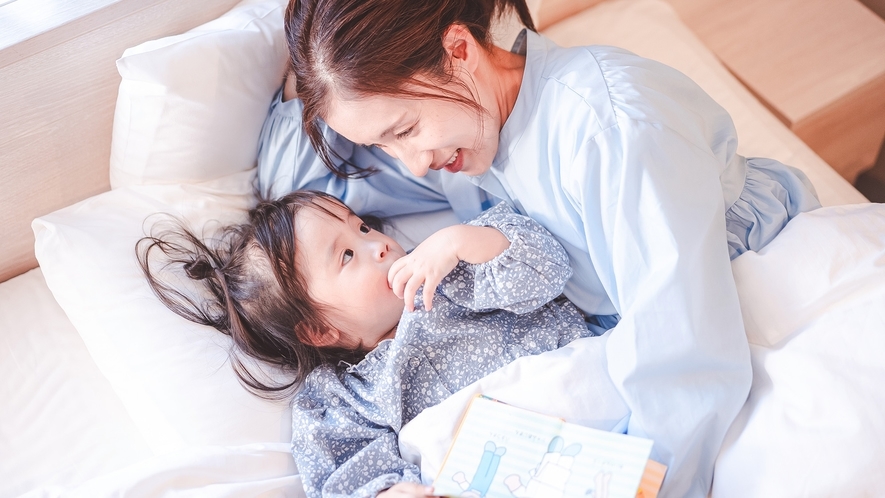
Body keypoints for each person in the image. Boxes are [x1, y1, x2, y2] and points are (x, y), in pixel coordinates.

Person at [262, 0, 825, 496]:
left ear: (459, 50)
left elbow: (684, 361)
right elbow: (293, 189)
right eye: (382, 144)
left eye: (403, 130)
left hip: (745, 278)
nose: (411, 165)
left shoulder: (609, 132)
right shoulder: (464, 138)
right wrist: (318, 65)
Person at [137, 191, 613, 498]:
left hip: (589, 398)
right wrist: (390, 492)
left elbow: (548, 267)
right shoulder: (342, 396)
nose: (378, 244)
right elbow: (343, 475)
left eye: (362, 227)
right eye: (347, 255)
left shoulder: (448, 269)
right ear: (319, 331)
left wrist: (460, 241)